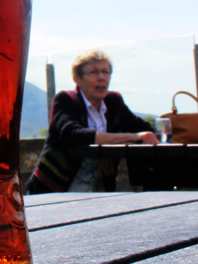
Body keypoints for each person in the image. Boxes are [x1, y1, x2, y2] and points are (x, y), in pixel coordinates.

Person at [27, 49, 157, 194]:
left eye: (106, 72)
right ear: (78, 79)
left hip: (101, 184)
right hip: (59, 185)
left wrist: (111, 148)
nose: (101, 77)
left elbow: (145, 130)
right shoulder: (65, 99)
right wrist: (129, 138)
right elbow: (74, 135)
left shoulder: (114, 102)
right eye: (93, 72)